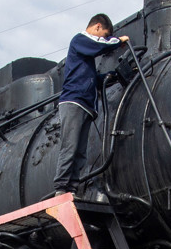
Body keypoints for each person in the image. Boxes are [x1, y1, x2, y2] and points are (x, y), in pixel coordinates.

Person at [52, 14, 129, 195]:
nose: (103, 39)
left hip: (86, 106)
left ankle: (71, 188)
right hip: (74, 102)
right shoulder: (80, 40)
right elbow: (98, 47)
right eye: (103, 35)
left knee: (80, 152)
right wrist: (117, 41)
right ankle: (61, 187)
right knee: (70, 147)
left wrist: (114, 76)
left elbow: (93, 79)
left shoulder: (85, 60)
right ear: (96, 27)